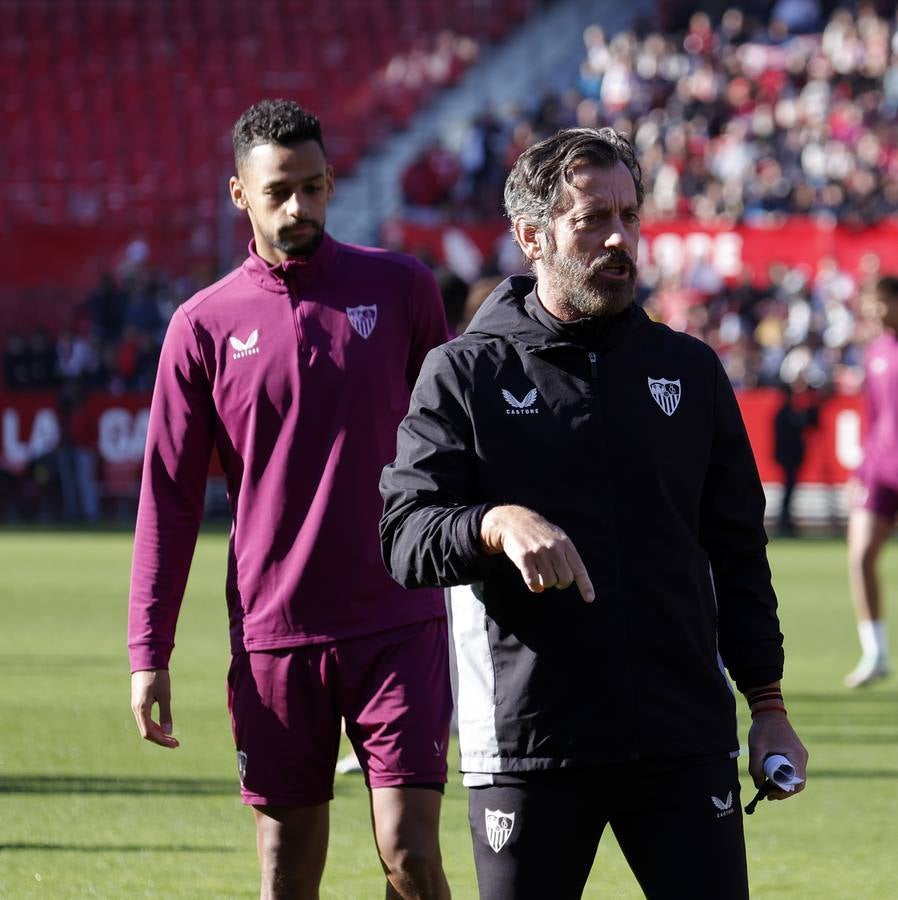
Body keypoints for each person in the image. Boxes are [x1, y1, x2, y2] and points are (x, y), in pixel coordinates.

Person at [380, 127, 808, 899]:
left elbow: (739, 553)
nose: (620, 238)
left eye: (630, 216)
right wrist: (493, 523)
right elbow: (403, 534)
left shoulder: (690, 370)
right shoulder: (463, 372)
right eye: (592, 219)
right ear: (531, 236)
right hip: (530, 745)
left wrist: (768, 705)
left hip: (682, 737)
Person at [128, 99, 452, 900]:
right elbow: (168, 498)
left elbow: (457, 444)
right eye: (278, 192)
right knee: (286, 873)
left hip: (397, 620)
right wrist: (149, 650)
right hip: (276, 633)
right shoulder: (201, 326)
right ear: (240, 194)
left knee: (410, 854)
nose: (299, 207)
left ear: (333, 181)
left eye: (313, 187)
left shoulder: (404, 288)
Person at [844, 275, 898, 688]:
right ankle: (875, 651)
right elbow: (874, 414)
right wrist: (860, 470)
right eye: (870, 304)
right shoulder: (876, 351)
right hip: (880, 470)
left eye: (880, 303)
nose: (874, 312)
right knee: (861, 555)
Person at [772, 379, 819, 537]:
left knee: (789, 490)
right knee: (789, 490)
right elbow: (806, 424)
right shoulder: (786, 414)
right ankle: (785, 522)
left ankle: (786, 521)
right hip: (789, 458)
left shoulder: (785, 413)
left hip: (789, 458)